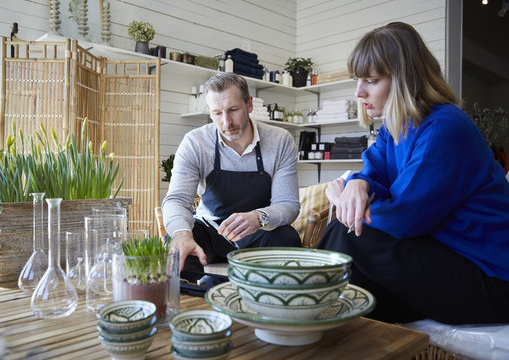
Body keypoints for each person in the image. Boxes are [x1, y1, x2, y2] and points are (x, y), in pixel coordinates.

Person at [318, 22, 509, 325]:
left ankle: (300, 308)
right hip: (447, 258)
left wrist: (346, 197)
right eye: (358, 80)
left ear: (406, 79)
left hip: (491, 277)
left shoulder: (445, 127)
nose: (359, 91)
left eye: (371, 80)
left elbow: (402, 219)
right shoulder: (393, 129)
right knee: (358, 295)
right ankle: (319, 324)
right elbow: (373, 171)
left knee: (350, 233)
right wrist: (357, 184)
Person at [162, 72, 302, 280]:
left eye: (233, 110)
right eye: (217, 113)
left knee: (287, 237)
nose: (226, 121)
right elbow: (177, 199)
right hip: (209, 231)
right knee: (176, 244)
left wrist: (259, 217)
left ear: (249, 104)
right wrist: (182, 233)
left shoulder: (280, 140)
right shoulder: (195, 142)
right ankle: (189, 303)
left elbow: (288, 204)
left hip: (258, 231)